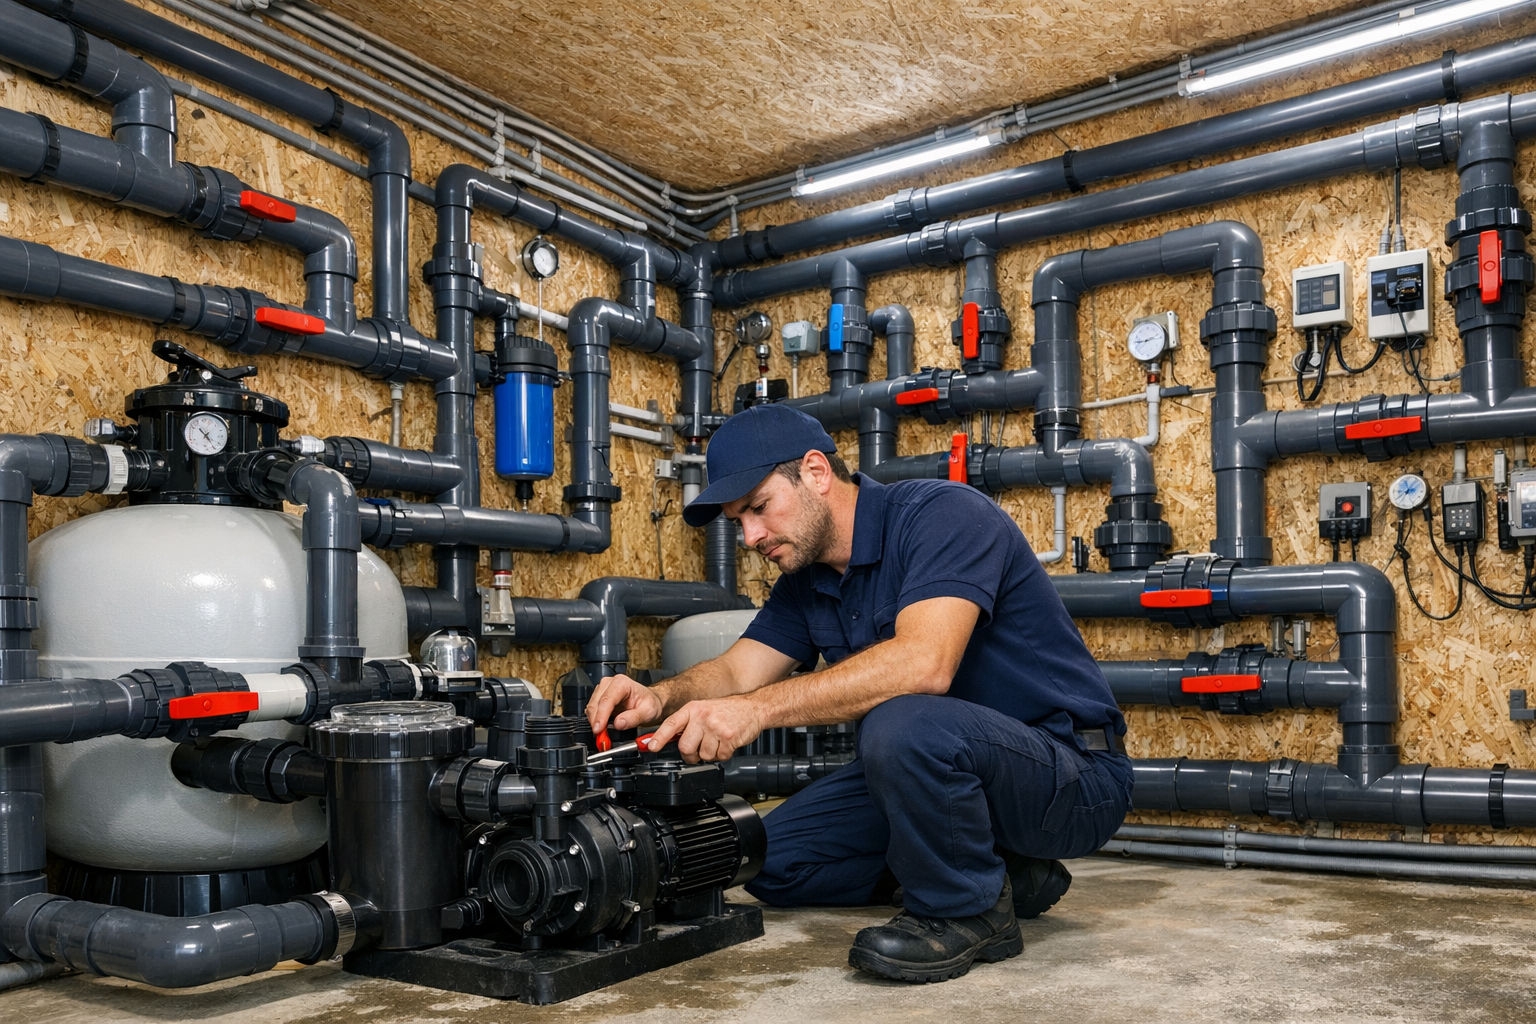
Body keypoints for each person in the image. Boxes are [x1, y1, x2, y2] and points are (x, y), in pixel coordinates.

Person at [586, 403, 1132, 984]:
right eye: (736, 521)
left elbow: (925, 664)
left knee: (904, 720)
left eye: (758, 508)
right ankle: (1005, 872)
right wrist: (658, 697)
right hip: (943, 778)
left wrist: (755, 712)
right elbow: (738, 672)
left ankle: (966, 911)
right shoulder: (807, 580)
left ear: (816, 472)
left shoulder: (945, 515)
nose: (750, 536)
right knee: (762, 859)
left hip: (1071, 776)